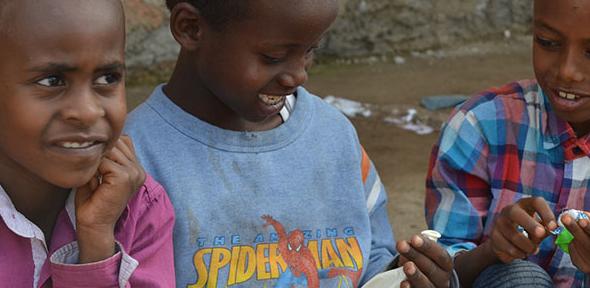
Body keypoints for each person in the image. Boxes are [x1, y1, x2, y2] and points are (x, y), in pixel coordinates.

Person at [125, 0, 457, 287]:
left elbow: (368, 259)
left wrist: (401, 276)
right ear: (190, 28)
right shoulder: (136, 158)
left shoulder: (334, 137)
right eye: (274, 56)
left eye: (310, 50)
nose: (298, 75)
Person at [0, 0, 175, 286]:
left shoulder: (137, 208)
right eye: (51, 81)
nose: (88, 111)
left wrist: (96, 243)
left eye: (108, 78)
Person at [426, 0, 590, 287]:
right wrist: (493, 251)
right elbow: (445, 271)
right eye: (547, 42)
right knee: (520, 278)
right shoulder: (480, 125)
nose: (567, 72)